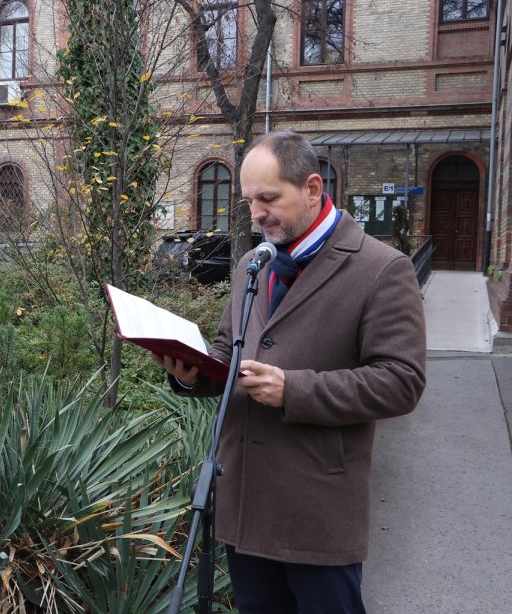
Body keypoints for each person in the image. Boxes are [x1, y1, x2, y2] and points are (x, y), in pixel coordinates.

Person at [153, 131, 426, 613]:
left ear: (312, 188)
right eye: (249, 200)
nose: (256, 213)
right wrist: (191, 373)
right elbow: (229, 349)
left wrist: (293, 390)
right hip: (247, 504)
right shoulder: (252, 263)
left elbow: (400, 381)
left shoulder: (382, 269)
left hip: (318, 511)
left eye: (269, 198)